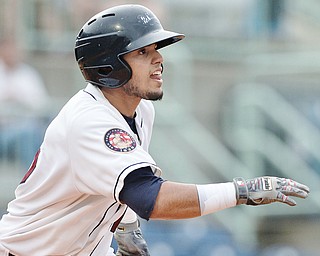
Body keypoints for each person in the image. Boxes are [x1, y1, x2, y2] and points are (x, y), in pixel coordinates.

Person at [0, 4, 310, 256]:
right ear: (109, 65)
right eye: (143, 52)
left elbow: (121, 186)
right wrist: (242, 191)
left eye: (156, 49)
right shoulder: (90, 122)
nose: (159, 59)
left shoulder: (140, 109)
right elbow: (152, 197)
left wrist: (127, 228)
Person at [0, 37, 49, 169]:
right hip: (5, 131)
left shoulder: (28, 74)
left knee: (43, 129)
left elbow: (42, 104)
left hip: (31, 125)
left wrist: (21, 99)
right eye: (7, 49)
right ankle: (32, 179)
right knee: (27, 134)